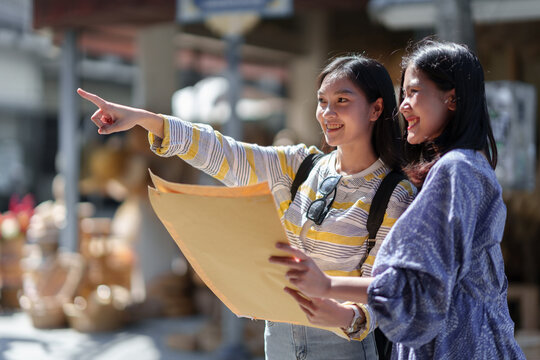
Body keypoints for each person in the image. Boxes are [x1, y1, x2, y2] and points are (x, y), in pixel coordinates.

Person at [78, 54, 416, 360]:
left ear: (375, 109)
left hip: (342, 347)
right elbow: (221, 151)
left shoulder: (394, 194)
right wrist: (144, 119)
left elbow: (381, 289)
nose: (327, 113)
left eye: (342, 101)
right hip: (278, 337)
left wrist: (342, 315)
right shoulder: (298, 165)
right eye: (322, 101)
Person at [269, 39, 526, 359]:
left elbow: (423, 290)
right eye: (403, 94)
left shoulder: (456, 170)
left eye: (414, 93)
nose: (403, 106)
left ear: (452, 99)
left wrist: (327, 286)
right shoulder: (468, 166)